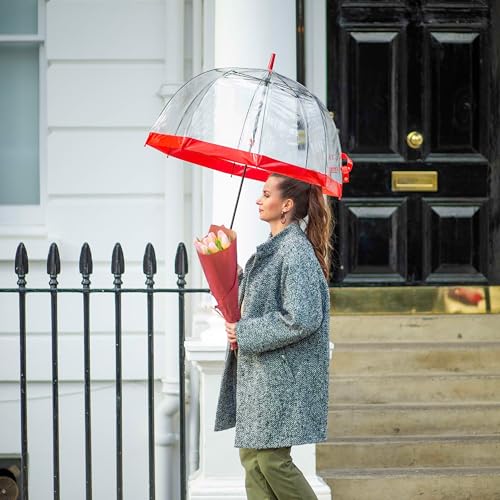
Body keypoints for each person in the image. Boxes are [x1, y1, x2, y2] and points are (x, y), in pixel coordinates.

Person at [213, 173, 333, 500]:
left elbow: (303, 317)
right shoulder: (273, 248)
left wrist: (245, 331)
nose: (258, 199)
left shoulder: (294, 250)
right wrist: (228, 279)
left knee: (271, 460)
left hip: (280, 378)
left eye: (266, 194)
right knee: (252, 459)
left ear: (287, 205)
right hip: (262, 376)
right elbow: (264, 302)